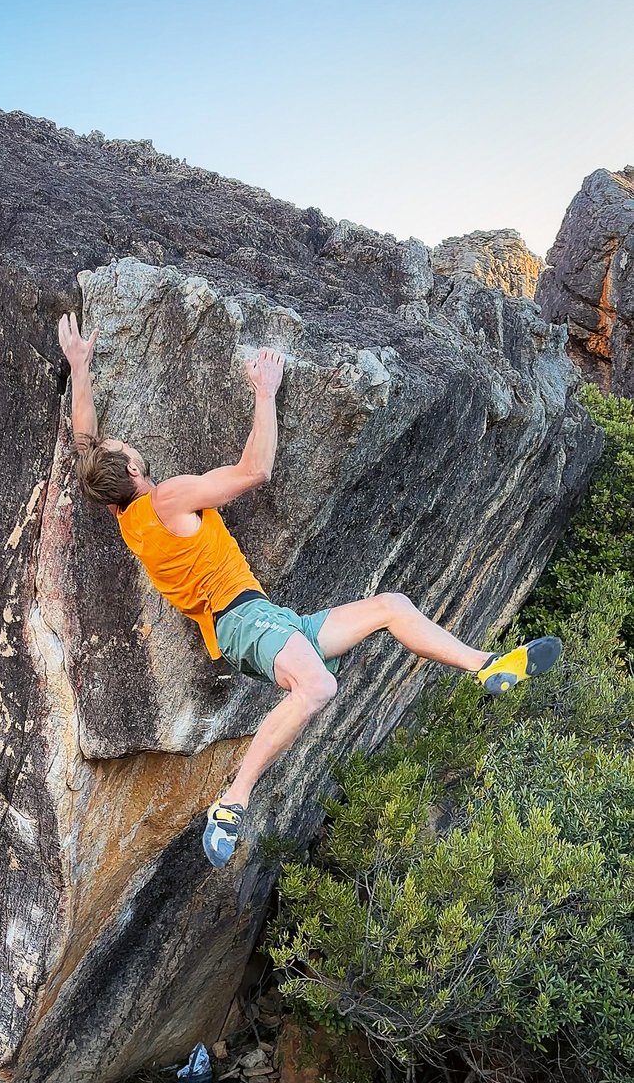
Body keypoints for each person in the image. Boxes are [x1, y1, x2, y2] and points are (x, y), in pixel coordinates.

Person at [57, 311, 562, 868]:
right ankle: (232, 800)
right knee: (317, 687)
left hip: (269, 620)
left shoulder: (127, 518)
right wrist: (265, 392)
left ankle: (487, 665)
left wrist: (80, 365)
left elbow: (86, 446)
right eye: (125, 451)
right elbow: (255, 471)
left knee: (391, 607)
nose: (123, 445)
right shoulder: (164, 498)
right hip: (244, 622)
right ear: (134, 475)